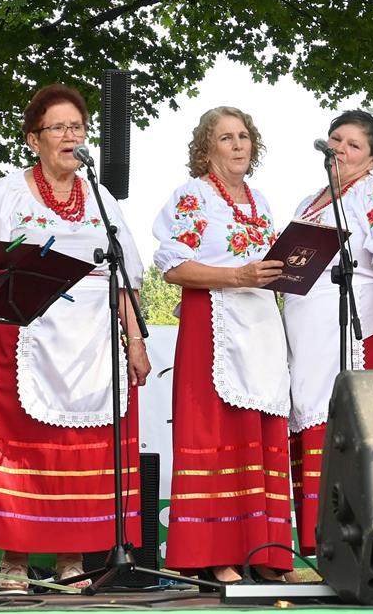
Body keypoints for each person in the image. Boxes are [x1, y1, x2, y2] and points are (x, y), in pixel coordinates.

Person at [0, 84, 150, 591]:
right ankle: (14, 559)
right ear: (34, 139)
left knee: (83, 450)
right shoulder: (5, 195)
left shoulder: (101, 199)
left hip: (95, 344)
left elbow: (126, 276)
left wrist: (137, 342)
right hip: (22, 337)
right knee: (25, 452)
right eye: (59, 127)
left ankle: (70, 559)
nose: (71, 136)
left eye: (77, 127)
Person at [152, 107, 290, 583]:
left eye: (244, 136)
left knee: (260, 430)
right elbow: (173, 266)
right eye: (226, 137)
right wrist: (237, 276)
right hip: (213, 320)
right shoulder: (193, 196)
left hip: (261, 323)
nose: (238, 145)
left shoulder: (260, 200)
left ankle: (266, 553)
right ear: (206, 147)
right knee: (216, 434)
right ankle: (215, 553)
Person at [283, 110, 373, 557]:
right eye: (336, 139)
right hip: (310, 332)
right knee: (313, 415)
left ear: (372, 160)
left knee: (361, 427)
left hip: (362, 326)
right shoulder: (308, 202)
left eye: (353, 145)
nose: (340, 149)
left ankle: (367, 547)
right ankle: (319, 544)